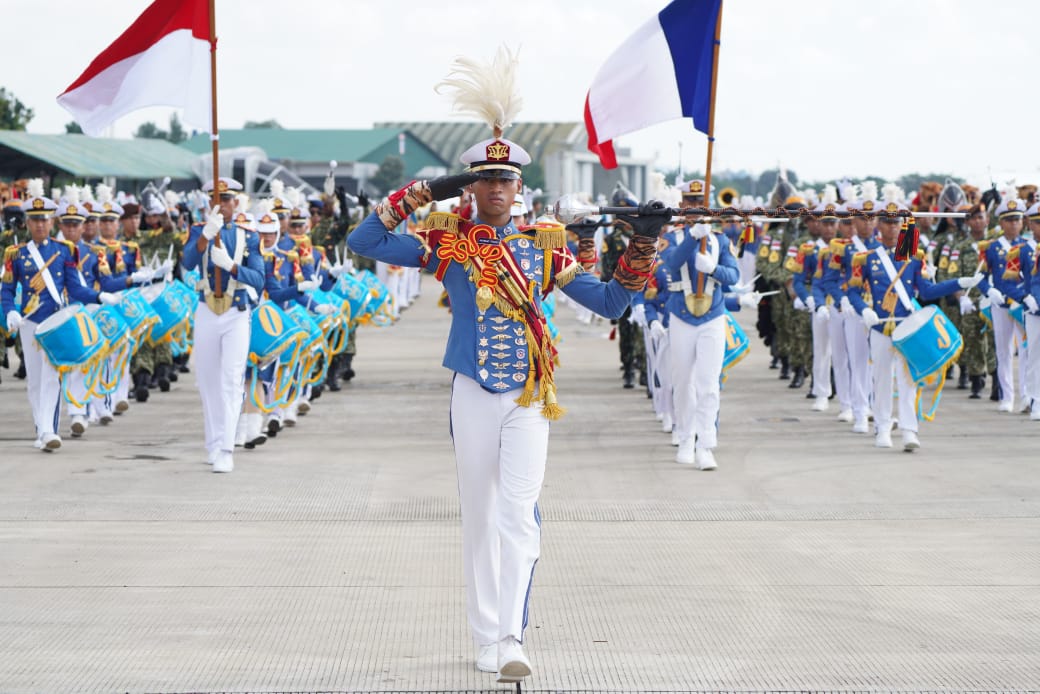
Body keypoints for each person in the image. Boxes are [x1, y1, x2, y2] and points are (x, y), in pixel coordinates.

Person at [348, 78, 662, 679]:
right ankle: (485, 636)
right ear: (471, 186)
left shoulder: (546, 246)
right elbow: (365, 240)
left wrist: (642, 242)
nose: (496, 188)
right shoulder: (447, 243)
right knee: (479, 516)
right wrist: (418, 193)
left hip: (528, 396)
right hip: (470, 389)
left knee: (518, 512)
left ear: (520, 187)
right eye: (484, 180)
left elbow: (613, 303)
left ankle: (512, 636)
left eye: (506, 179)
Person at [847, 198, 983, 450]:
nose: (892, 228)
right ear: (878, 224)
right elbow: (853, 292)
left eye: (896, 223)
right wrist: (864, 310)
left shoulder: (912, 257)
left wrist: (959, 283)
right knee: (881, 380)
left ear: (902, 225)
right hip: (879, 325)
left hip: (907, 327)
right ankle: (883, 427)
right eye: (887, 223)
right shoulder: (864, 258)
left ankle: (909, 430)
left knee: (908, 381)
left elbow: (928, 291)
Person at [2, 181, 120, 450]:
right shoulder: (16, 254)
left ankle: (49, 431)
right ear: (28, 223)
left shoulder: (64, 250)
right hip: (29, 322)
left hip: (55, 324)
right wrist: (9, 311)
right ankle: (40, 427)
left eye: (44, 220)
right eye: (34, 221)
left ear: (51, 221)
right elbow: (7, 289)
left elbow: (76, 287)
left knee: (51, 377)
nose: (40, 225)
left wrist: (99, 296)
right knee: (34, 380)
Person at [181, 177, 265, 473]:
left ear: (235, 202)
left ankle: (227, 448)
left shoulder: (248, 236)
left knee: (231, 380)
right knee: (208, 382)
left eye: (227, 200)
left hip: (237, 311)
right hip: (206, 309)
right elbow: (188, 262)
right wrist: (205, 236)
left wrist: (231, 266)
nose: (222, 205)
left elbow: (258, 278)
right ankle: (214, 443)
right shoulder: (196, 231)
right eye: (216, 200)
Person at [659, 209, 739, 468]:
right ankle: (685, 438)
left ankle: (705, 444)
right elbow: (670, 264)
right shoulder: (673, 238)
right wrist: (692, 237)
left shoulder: (721, 240)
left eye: (699, 202)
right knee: (682, 382)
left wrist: (714, 269)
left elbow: (733, 276)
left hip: (712, 315)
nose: (695, 208)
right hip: (682, 315)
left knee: (709, 384)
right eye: (690, 202)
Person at [977, 198, 1031, 413]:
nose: (1013, 224)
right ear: (1001, 222)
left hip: (1023, 304)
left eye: (1017, 219)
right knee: (1003, 351)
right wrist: (989, 290)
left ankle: (1027, 395)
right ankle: (1006, 396)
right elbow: (980, 277)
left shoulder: (1028, 247)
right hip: (1000, 305)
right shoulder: (990, 248)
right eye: (1008, 220)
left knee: (1027, 352)